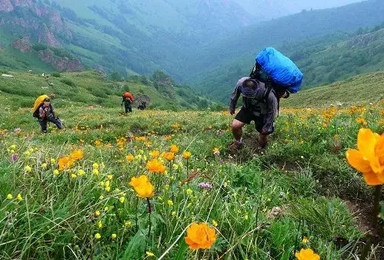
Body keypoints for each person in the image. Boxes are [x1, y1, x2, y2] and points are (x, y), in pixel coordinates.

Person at [228, 77, 288, 151]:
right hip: (248, 108)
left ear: (256, 90)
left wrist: (267, 127)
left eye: (250, 95)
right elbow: (235, 95)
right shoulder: (241, 83)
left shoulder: (269, 93)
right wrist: (232, 106)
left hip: (263, 113)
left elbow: (272, 111)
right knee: (235, 126)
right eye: (245, 95)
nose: (247, 96)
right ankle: (238, 141)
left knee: (263, 135)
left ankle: (262, 149)